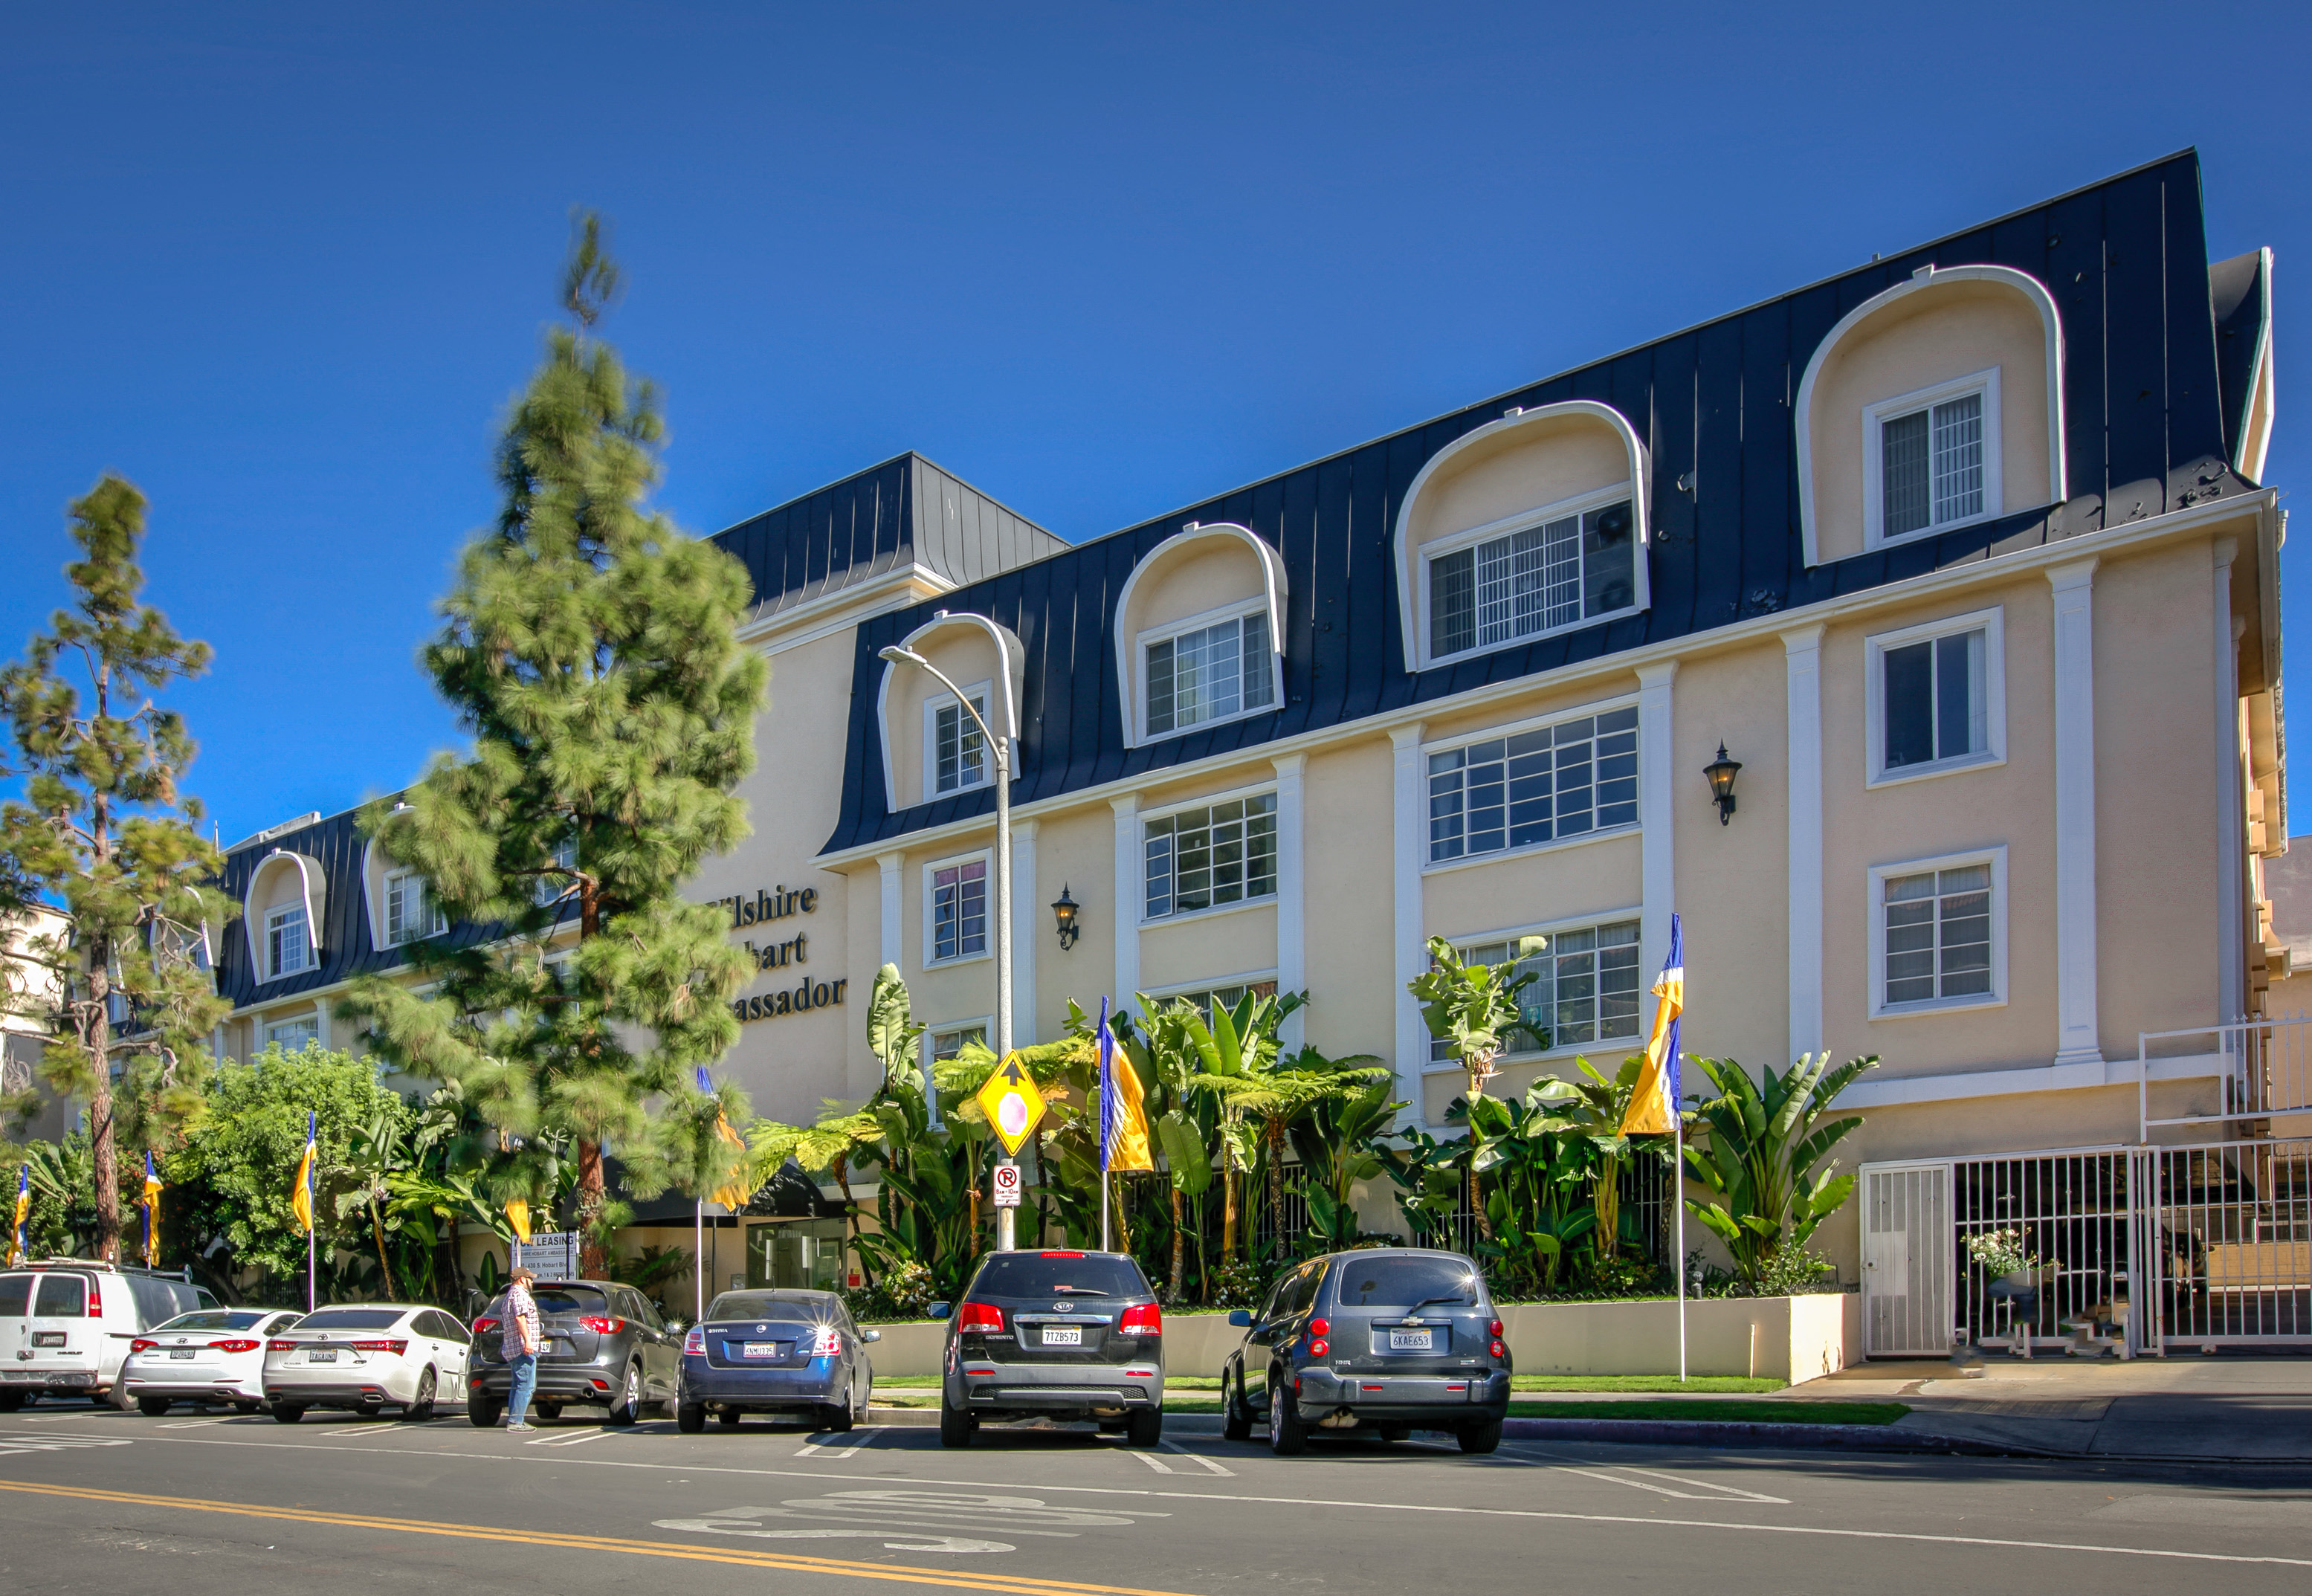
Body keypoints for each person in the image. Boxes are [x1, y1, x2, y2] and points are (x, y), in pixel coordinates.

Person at [503, 1266, 543, 1431]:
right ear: (521, 1279)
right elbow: (520, 1319)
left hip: (515, 1347)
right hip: (522, 1349)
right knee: (526, 1385)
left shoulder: (510, 1295)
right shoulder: (519, 1295)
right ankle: (515, 1422)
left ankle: (515, 1419)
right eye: (530, 1278)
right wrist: (528, 1342)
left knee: (519, 1384)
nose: (532, 1281)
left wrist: (534, 1336)